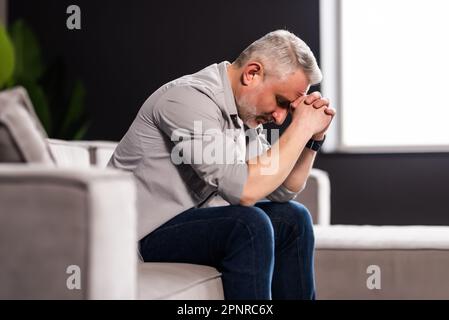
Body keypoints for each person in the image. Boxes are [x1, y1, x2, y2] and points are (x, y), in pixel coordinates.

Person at [108, 29, 335, 300]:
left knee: (293, 218)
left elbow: (283, 190)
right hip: (140, 234)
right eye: (281, 102)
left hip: (187, 224)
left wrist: (312, 140)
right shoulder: (187, 98)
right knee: (248, 225)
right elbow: (245, 190)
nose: (280, 117)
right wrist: (300, 126)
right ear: (252, 73)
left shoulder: (245, 116)